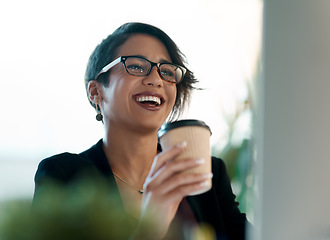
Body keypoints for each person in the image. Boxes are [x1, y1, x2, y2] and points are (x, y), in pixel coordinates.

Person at [33, 22, 248, 240]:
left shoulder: (207, 173)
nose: (156, 80)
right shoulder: (62, 176)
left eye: (166, 71)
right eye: (136, 66)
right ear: (96, 91)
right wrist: (150, 228)